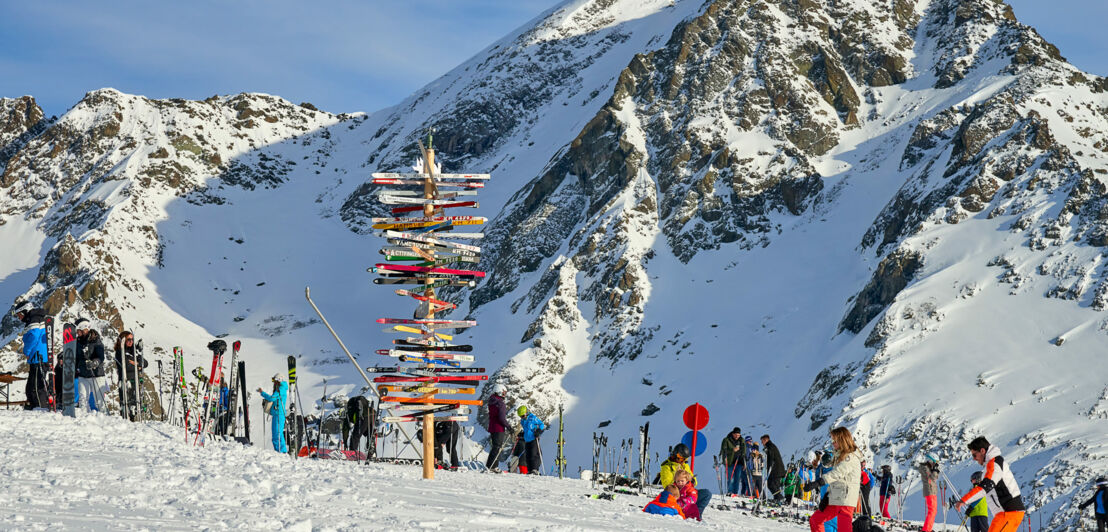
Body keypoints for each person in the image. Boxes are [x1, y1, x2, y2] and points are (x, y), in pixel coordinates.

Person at [953, 437, 1026, 532]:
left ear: (982, 451)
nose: (974, 459)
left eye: (975, 455)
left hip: (1008, 512)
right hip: (1008, 513)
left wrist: (964, 500)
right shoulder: (991, 465)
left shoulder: (994, 464)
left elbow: (985, 486)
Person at [804, 426, 862, 532]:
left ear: (842, 440)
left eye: (835, 440)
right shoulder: (839, 456)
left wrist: (818, 482)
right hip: (835, 497)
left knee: (844, 529)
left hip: (845, 500)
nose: (833, 443)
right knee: (815, 520)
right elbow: (837, 481)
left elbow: (837, 474)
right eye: (832, 440)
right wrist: (827, 495)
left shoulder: (850, 457)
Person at [659, 443, 712, 517]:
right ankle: (683, 512)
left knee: (706, 494)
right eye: (681, 457)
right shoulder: (667, 467)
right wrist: (679, 481)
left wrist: (692, 480)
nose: (682, 460)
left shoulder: (685, 465)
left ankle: (696, 514)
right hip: (678, 495)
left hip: (688, 493)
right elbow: (667, 485)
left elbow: (694, 480)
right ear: (675, 454)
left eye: (685, 459)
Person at [13, 302, 49, 410]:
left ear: (25, 311)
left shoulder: (34, 318)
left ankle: (40, 407)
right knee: (30, 387)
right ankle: (34, 406)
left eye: (19, 314)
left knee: (36, 386)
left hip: (38, 357)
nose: (19, 318)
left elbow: (34, 336)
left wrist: (27, 351)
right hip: (36, 357)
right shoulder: (34, 318)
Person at [74, 319, 106, 413]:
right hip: (83, 374)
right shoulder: (78, 342)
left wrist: (94, 363)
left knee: (99, 401)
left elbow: (101, 357)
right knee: (82, 400)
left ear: (84, 329)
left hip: (96, 374)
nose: (77, 333)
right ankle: (85, 421)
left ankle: (105, 419)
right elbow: (77, 358)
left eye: (79, 331)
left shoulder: (95, 340)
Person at [114, 330, 147, 420]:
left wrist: (136, 363)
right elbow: (127, 366)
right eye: (128, 339)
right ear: (123, 340)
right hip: (125, 380)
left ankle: (134, 423)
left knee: (135, 406)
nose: (131, 342)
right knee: (126, 406)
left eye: (132, 340)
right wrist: (138, 365)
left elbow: (145, 363)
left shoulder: (133, 351)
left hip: (134, 381)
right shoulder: (120, 352)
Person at [258, 373, 288, 453]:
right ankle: (280, 451)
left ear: (278, 380)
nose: (273, 382)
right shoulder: (281, 389)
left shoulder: (280, 389)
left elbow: (272, 398)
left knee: (277, 434)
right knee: (277, 434)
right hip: (277, 414)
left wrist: (262, 393)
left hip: (278, 414)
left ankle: (281, 451)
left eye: (274, 380)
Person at [484, 383, 509, 472]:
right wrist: (508, 427)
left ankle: (490, 465)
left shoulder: (492, 402)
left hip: (492, 427)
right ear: (499, 391)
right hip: (499, 428)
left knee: (495, 447)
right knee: (497, 447)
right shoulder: (500, 403)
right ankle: (492, 466)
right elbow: (502, 418)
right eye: (503, 393)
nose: (504, 395)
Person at [517, 405, 545, 474]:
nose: (522, 418)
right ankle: (529, 470)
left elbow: (541, 424)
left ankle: (535, 469)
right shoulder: (522, 421)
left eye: (523, 416)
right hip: (527, 440)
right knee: (528, 456)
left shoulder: (533, 418)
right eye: (520, 416)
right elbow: (526, 429)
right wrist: (522, 434)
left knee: (533, 454)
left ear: (526, 413)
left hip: (533, 439)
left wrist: (538, 431)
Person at [720, 427, 747, 496]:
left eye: (738, 435)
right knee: (731, 478)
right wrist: (732, 450)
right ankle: (730, 492)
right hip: (730, 462)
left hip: (739, 462)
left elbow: (744, 453)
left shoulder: (742, 441)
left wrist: (744, 463)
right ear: (733, 433)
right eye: (736, 435)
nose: (737, 436)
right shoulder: (727, 440)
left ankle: (735, 493)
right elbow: (723, 450)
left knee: (737, 479)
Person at [761, 434, 786, 501]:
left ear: (766, 440)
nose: (762, 443)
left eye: (762, 441)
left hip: (775, 470)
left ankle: (779, 497)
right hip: (777, 470)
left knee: (770, 484)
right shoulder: (771, 446)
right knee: (775, 485)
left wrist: (770, 466)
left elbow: (771, 457)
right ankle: (777, 499)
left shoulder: (770, 446)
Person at [918, 455, 940, 531]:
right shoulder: (925, 468)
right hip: (930, 491)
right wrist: (935, 470)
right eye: (935, 462)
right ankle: (926, 529)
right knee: (932, 511)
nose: (935, 464)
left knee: (933, 511)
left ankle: (928, 528)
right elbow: (932, 477)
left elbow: (935, 477)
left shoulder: (928, 468)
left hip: (932, 491)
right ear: (930, 460)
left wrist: (935, 470)